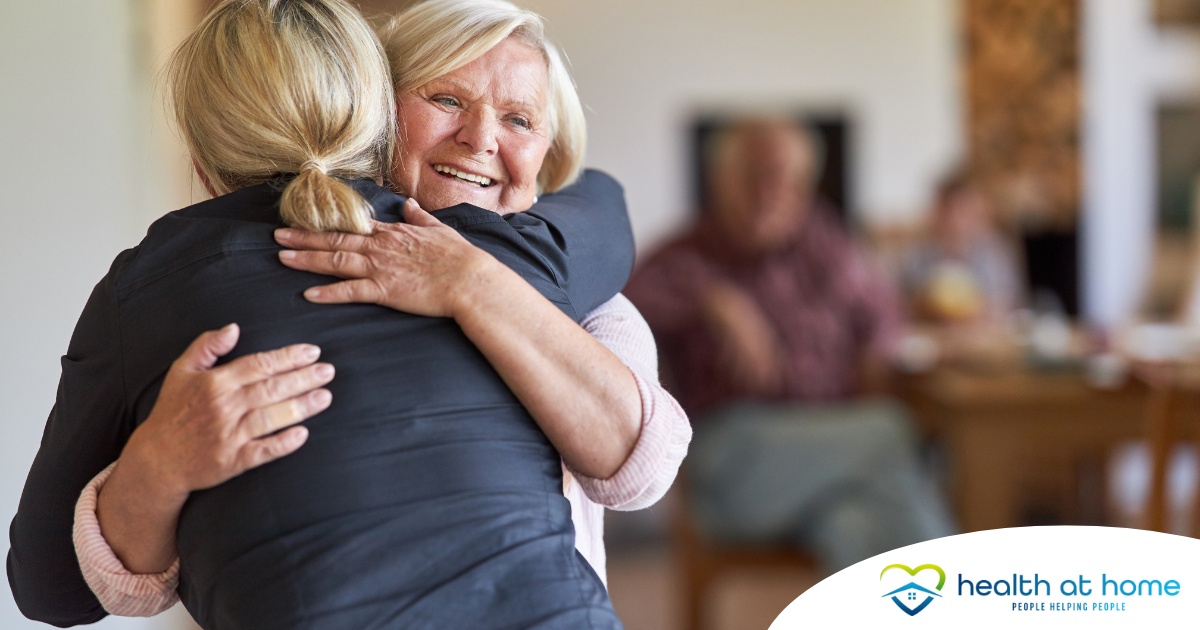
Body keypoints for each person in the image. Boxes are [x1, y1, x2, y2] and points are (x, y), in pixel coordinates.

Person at [9, 0, 688, 627]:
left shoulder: (549, 274)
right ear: (375, 115)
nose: (482, 138)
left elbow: (642, 471)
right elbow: (605, 205)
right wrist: (156, 468)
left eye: (520, 120)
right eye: (446, 99)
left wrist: (472, 282)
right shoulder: (541, 253)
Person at [625, 117, 953, 572]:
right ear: (720, 180)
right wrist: (713, 299)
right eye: (755, 177)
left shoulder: (827, 246)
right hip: (735, 464)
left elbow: (887, 320)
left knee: (853, 522)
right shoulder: (685, 255)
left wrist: (875, 357)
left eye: (786, 181)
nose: (770, 193)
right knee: (889, 433)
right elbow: (621, 305)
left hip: (833, 457)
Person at [901, 170, 1023, 325]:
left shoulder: (995, 254)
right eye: (948, 210)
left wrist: (977, 312)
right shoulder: (917, 257)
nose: (955, 220)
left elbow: (1007, 304)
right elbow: (904, 307)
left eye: (963, 210)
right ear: (937, 213)